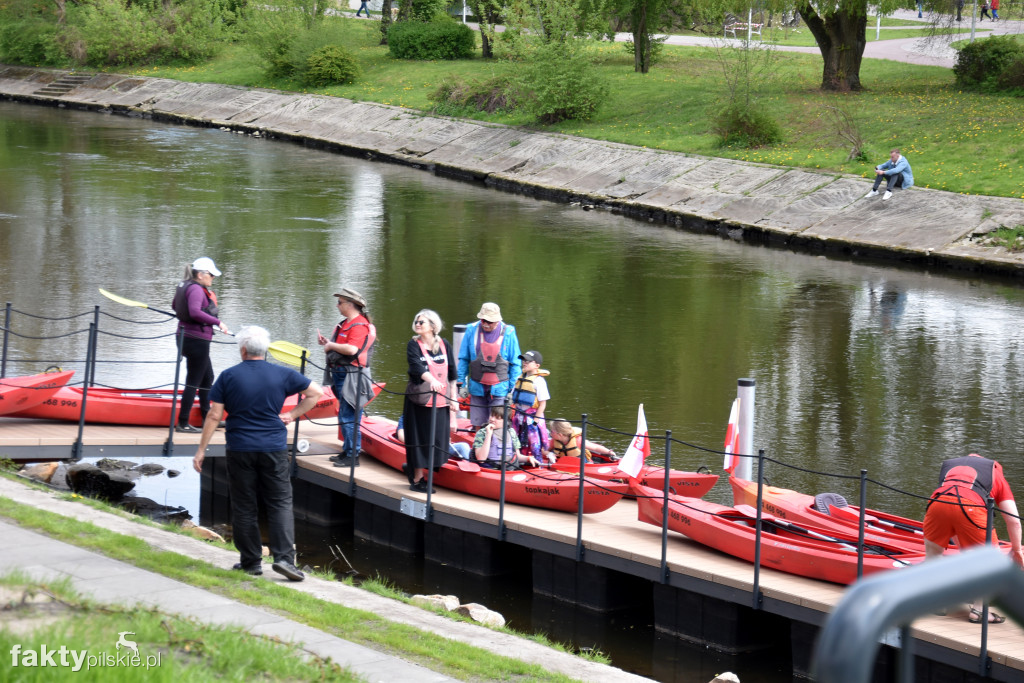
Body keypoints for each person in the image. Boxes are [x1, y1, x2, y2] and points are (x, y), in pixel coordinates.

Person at [192, 325, 323, 582]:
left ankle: (251, 562)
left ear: (243, 350)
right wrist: (291, 415)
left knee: (244, 505)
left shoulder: (228, 376)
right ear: (265, 350)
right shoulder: (282, 374)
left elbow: (214, 414)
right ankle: (285, 559)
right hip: (273, 448)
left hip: (240, 448)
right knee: (280, 502)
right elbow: (315, 393)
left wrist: (201, 450)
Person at [922, 453, 1023, 623]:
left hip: (936, 503)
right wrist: (1016, 549)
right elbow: (1013, 521)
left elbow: (952, 509)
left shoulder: (952, 471)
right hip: (970, 507)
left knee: (933, 553)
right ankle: (979, 611)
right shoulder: (995, 474)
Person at [317, 288, 376, 469]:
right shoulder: (346, 324)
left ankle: (353, 456)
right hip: (341, 374)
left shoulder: (359, 325)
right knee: (344, 413)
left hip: (352, 375)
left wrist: (330, 346)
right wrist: (329, 343)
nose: (337, 305)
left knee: (348, 415)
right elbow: (342, 346)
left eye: (340, 302)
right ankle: (347, 450)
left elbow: (351, 350)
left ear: (350, 305)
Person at [171, 257, 230, 433]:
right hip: (196, 340)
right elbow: (195, 312)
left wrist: (204, 320)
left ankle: (207, 417)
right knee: (194, 381)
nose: (213, 278)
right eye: (211, 275)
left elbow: (175, 306)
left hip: (185, 337)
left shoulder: (185, 286)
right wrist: (217, 322)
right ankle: (183, 423)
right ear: (201, 274)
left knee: (207, 377)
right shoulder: (196, 289)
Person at [403, 309, 458, 492]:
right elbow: (416, 367)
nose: (418, 324)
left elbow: (452, 375)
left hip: (441, 400)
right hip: (420, 400)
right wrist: (432, 380)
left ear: (433, 326)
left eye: (422, 322)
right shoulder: (413, 345)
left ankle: (430, 474)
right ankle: (418, 479)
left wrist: (454, 399)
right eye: (416, 321)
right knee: (419, 438)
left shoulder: (444, 344)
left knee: (437, 439)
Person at [457, 302, 521, 430]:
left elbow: (516, 364)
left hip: (500, 389)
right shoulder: (471, 329)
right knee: (478, 425)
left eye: (490, 321)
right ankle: (478, 447)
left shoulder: (509, 332)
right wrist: (461, 384)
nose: (486, 323)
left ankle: (497, 448)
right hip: (477, 387)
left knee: (497, 425)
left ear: (497, 320)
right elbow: (463, 359)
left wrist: (512, 390)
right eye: (483, 320)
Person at [511, 350, 550, 461]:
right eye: (524, 360)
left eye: (528, 361)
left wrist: (535, 421)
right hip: (519, 415)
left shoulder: (539, 381)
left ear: (537, 365)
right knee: (517, 441)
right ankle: (521, 461)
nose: (525, 363)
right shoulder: (520, 377)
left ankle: (538, 464)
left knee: (535, 444)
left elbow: (542, 404)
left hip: (532, 417)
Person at [473, 406, 538, 468]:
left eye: (497, 418)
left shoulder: (511, 432)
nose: (492, 419)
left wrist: (528, 458)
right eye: (491, 416)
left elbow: (518, 456)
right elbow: (481, 459)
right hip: (489, 469)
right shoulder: (482, 432)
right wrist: (489, 435)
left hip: (507, 469)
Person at [396, 414, 472, 460]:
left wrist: (444, 439)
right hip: (423, 449)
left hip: (438, 448)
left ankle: (471, 468)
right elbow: (401, 436)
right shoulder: (407, 416)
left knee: (463, 446)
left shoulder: (434, 414)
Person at [545, 419, 616, 465]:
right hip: (565, 466)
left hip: (583, 465)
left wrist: (609, 452)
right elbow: (544, 450)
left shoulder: (578, 440)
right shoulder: (553, 441)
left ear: (560, 434)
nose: (550, 434)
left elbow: (595, 447)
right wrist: (550, 454)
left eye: (552, 431)